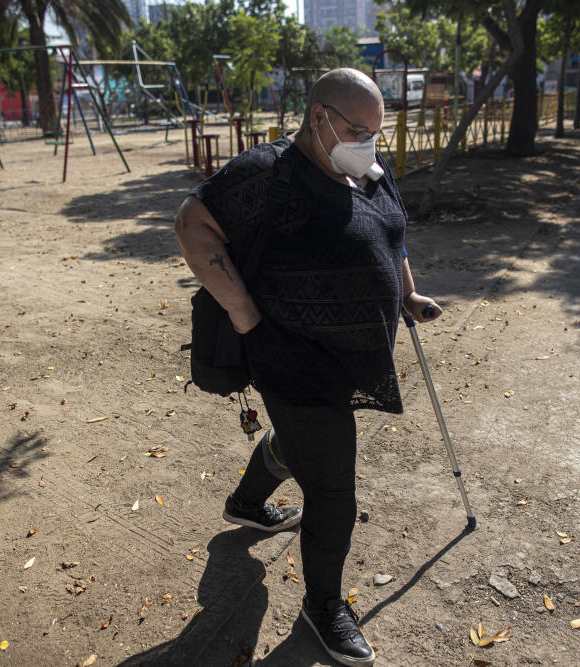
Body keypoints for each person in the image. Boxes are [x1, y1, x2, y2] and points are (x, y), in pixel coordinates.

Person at [174, 68, 442, 666]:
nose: (369, 143)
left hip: (353, 354)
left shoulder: (367, 169)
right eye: (357, 129)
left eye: (377, 131)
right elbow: (192, 224)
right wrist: (243, 312)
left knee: (304, 445)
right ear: (319, 117)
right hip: (289, 356)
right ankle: (323, 607)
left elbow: (392, 236)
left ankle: (245, 505)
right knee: (332, 488)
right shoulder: (265, 175)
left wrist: (407, 295)